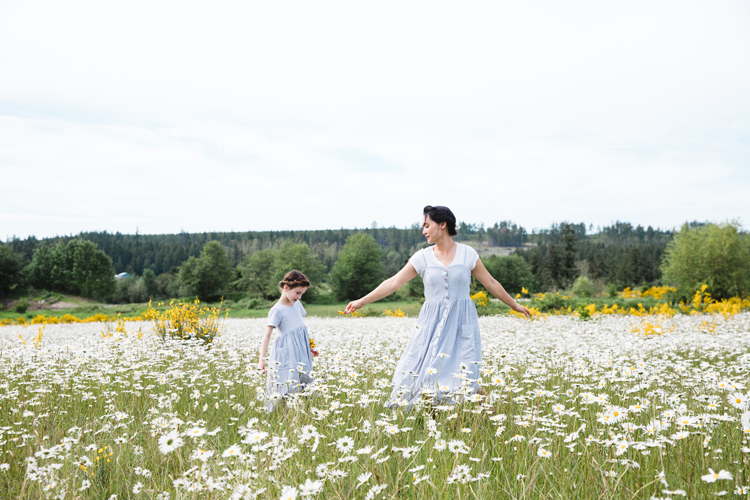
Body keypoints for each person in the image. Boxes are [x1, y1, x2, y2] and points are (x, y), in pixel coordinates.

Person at [344, 205, 530, 407]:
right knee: (423, 369)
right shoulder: (422, 257)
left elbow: (491, 283)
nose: (423, 231)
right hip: (431, 324)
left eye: (426, 225)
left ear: (442, 224)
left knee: (463, 371)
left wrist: (514, 305)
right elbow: (394, 282)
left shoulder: (468, 254)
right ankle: (430, 417)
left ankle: (478, 413)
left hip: (461, 323)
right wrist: (361, 301)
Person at [259, 270, 314, 411]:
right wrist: (261, 359)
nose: (300, 297)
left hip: (302, 352)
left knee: (304, 380)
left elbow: (300, 328)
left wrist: (309, 346)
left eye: (302, 293)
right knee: (287, 382)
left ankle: (301, 412)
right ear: (286, 288)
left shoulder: (297, 305)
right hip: (287, 354)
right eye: (297, 293)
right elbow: (267, 335)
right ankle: (284, 414)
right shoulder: (277, 310)